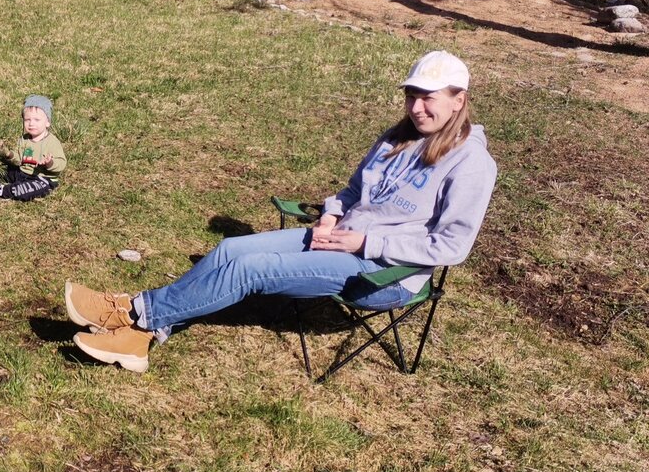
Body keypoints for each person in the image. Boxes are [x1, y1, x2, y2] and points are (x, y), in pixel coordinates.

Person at [64, 51, 498, 373]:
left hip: (383, 274)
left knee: (250, 271)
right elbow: (353, 191)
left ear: (459, 100)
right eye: (411, 96)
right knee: (231, 250)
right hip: (340, 239)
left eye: (428, 98)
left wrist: (366, 242)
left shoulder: (471, 163)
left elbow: (452, 246)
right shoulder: (397, 137)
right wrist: (331, 215)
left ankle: (133, 313)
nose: (416, 108)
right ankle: (139, 336)